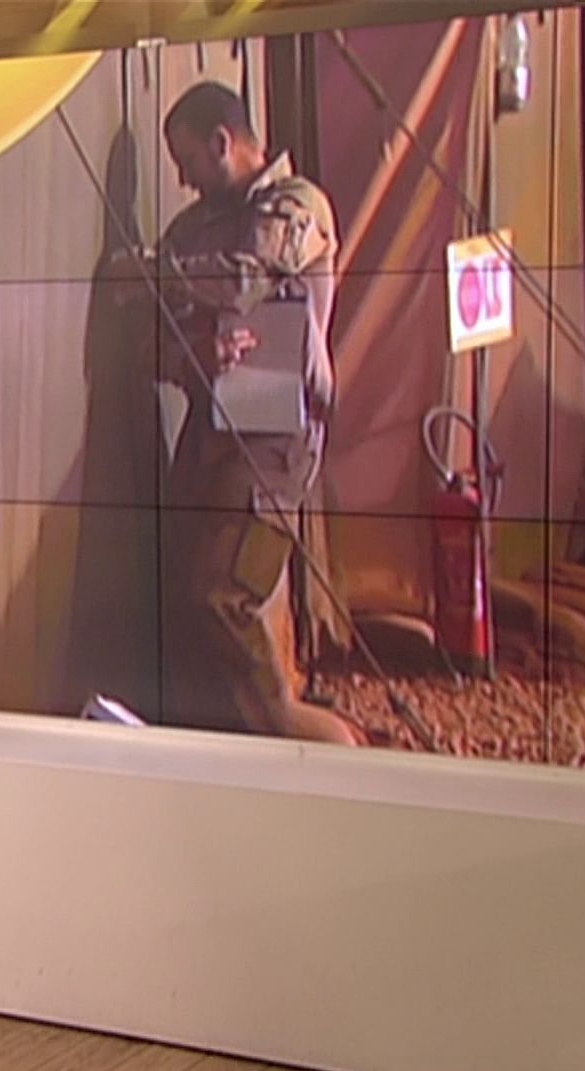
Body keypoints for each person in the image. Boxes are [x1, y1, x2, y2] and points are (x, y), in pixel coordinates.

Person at [122, 81, 364, 747]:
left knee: (222, 594)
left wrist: (156, 276)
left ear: (223, 142)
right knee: (181, 597)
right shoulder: (189, 229)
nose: (182, 179)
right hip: (210, 431)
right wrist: (193, 350)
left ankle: (297, 732)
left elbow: (246, 276)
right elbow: (147, 338)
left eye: (188, 161)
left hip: (274, 439)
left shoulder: (298, 204)